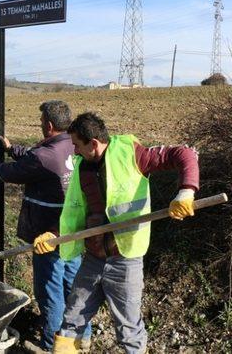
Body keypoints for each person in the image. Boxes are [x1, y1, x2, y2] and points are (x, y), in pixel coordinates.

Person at [36, 112, 199, 354]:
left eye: (77, 146)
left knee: (128, 328)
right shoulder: (82, 169)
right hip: (93, 257)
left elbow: (184, 153)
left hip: (125, 259)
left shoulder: (133, 154)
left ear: (93, 143)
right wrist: (53, 235)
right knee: (71, 321)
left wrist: (186, 191)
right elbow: (76, 213)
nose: (74, 152)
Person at [0, 100, 90, 353]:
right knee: (74, 285)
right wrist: (13, 148)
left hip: (48, 234)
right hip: (72, 231)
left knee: (50, 291)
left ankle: (51, 344)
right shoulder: (72, 144)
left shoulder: (45, 156)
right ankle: (81, 337)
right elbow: (34, 158)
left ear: (48, 124)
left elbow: (10, 173)